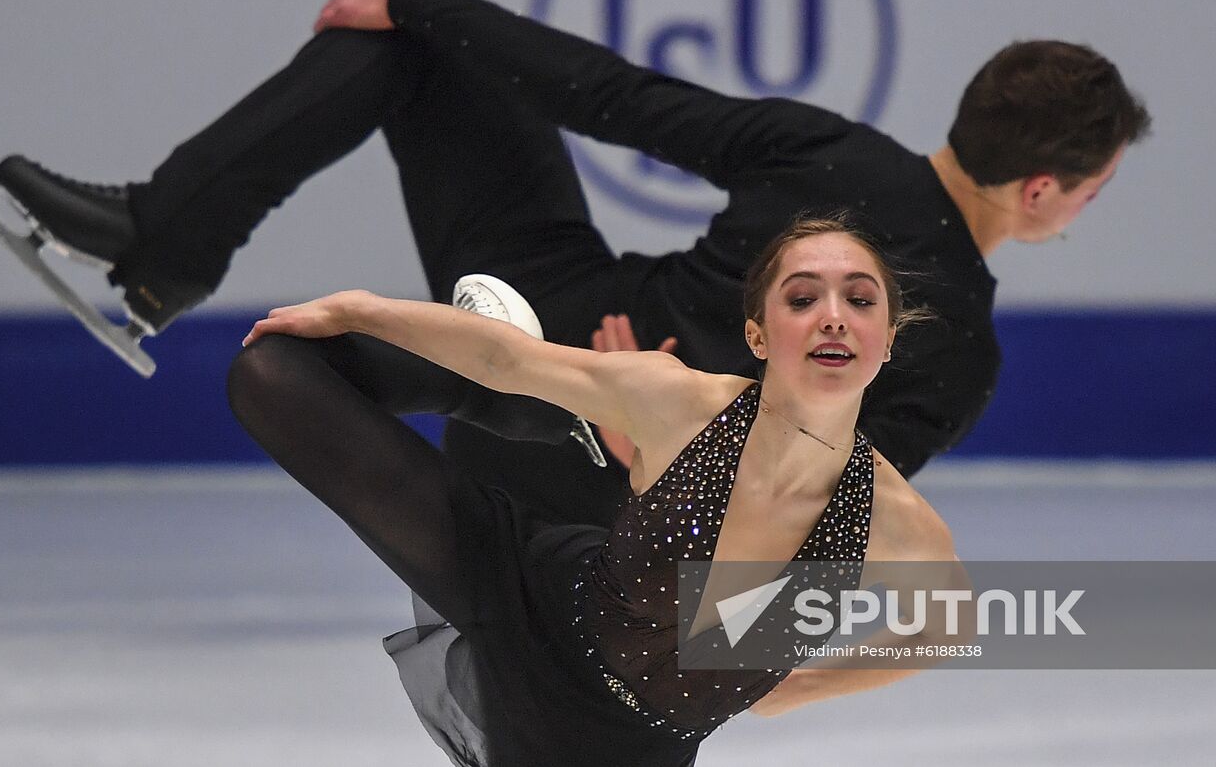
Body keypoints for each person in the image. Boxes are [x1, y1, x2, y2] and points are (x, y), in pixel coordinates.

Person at [0, 0, 1150, 523]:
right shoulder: (959, 345)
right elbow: (817, 520)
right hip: (574, 385)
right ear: (1043, 188)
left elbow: (613, 96)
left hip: (597, 436)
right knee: (418, 45)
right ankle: (165, 250)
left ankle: (162, 243)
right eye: (1094, 190)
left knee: (413, 35)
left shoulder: (834, 153)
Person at [226, 218, 970, 767]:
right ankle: (523, 412)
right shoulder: (680, 401)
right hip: (535, 591)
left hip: (628, 748)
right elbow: (503, 353)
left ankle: (542, 410)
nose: (833, 314)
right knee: (272, 370)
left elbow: (950, 626)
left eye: (860, 299)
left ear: (887, 340)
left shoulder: (895, 524)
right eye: (803, 297)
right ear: (758, 334)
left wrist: (794, 689)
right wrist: (357, 307)